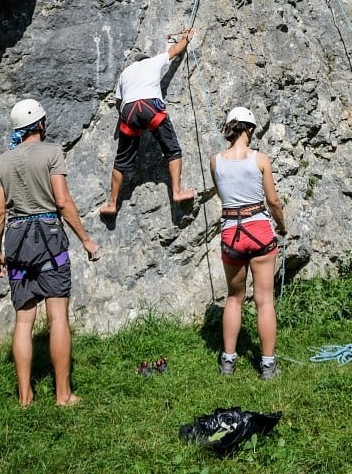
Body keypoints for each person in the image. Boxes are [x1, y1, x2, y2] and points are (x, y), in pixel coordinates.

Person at [0, 98, 100, 407]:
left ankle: (25, 396)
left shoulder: (2, 162)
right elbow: (63, 202)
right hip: (50, 240)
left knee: (23, 321)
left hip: (16, 242)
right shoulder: (52, 153)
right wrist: (86, 240)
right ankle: (63, 395)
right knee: (58, 318)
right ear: (40, 124)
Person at [210, 107, 286, 380]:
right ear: (250, 129)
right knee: (264, 300)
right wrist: (282, 226)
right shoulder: (260, 159)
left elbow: (222, 194)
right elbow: (273, 201)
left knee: (234, 298)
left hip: (232, 232)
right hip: (260, 230)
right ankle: (267, 365)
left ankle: (228, 362)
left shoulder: (215, 161)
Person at [99, 30, 196, 216]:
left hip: (128, 111)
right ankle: (177, 191)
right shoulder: (153, 61)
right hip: (150, 106)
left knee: (121, 161)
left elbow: (119, 103)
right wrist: (186, 38)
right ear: (147, 59)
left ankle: (112, 203)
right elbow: (175, 51)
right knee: (172, 149)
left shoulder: (125, 73)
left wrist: (128, 117)